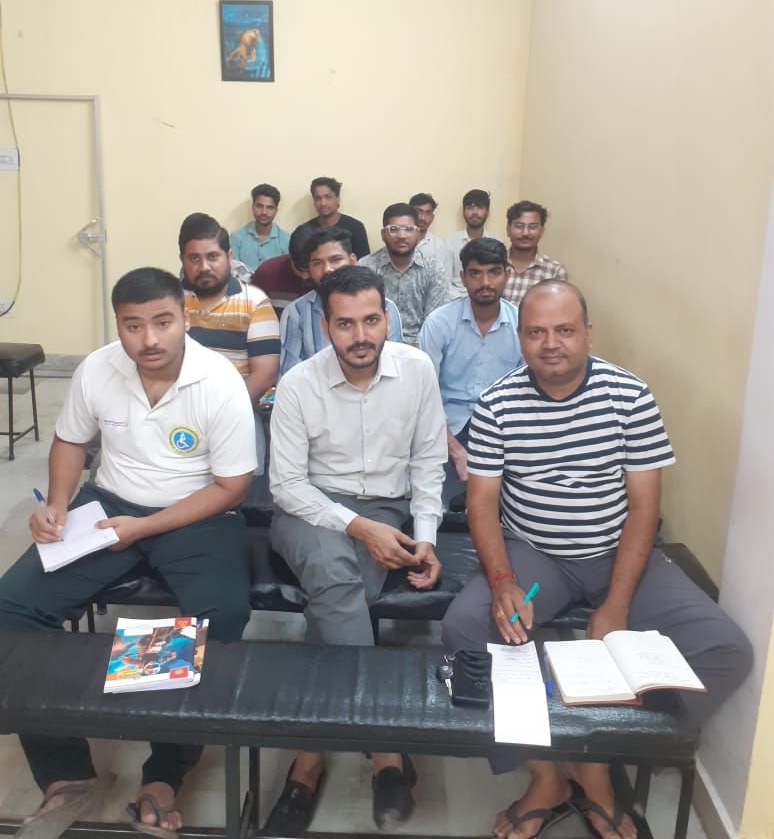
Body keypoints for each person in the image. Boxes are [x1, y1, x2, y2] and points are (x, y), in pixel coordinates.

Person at [441, 280, 753, 839]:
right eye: (536, 332)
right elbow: (482, 503)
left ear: (588, 332)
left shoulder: (629, 395)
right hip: (535, 555)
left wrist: (617, 604)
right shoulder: (496, 403)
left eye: (564, 330)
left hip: (619, 553)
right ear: (520, 337)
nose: (550, 344)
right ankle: (545, 775)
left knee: (725, 649)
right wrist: (504, 579)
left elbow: (645, 506)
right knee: (466, 627)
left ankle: (597, 760)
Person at [0, 268, 256, 839]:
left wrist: (143, 529)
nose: (149, 339)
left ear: (185, 317)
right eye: (133, 326)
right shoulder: (98, 367)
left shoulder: (219, 380)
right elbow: (71, 439)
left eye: (162, 322)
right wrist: (58, 506)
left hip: (196, 511)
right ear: (118, 325)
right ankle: (65, 774)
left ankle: (162, 775)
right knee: (10, 608)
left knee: (220, 617)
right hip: (109, 506)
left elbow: (232, 486)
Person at [266, 265, 446, 834]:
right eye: (345, 324)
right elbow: (286, 485)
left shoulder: (417, 370)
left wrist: (425, 537)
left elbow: (428, 462)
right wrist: (358, 528)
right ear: (325, 327)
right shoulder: (298, 383)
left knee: (335, 596)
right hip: (308, 509)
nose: (360, 336)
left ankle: (309, 758)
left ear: (388, 318)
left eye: (371, 320)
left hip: (388, 508)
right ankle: (383, 746)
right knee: (333, 570)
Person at [179, 213, 280, 476]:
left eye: (212, 256)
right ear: (182, 260)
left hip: (237, 407)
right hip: (177, 407)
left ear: (229, 256)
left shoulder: (254, 302)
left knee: (244, 476)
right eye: (194, 258)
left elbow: (265, 373)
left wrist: (222, 412)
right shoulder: (169, 301)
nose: (204, 266)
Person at [419, 238, 522, 493]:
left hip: (505, 430)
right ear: (463, 278)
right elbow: (423, 398)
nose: (485, 283)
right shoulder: (439, 323)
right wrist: (455, 450)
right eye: (475, 274)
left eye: (494, 272)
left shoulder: (522, 325)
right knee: (443, 500)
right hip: (448, 429)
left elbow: (527, 395)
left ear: (507, 275)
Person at [279, 226, 403, 375]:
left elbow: (396, 365)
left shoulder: (385, 306)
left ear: (352, 261)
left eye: (335, 260)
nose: (327, 269)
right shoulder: (296, 313)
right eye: (317, 263)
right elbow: (290, 375)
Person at [359, 203, 449, 346]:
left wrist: (413, 352)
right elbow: (361, 317)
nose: (402, 236)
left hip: (422, 347)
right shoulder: (366, 267)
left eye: (409, 229)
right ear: (383, 234)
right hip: (378, 346)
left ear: (418, 234)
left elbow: (435, 321)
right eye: (394, 229)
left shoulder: (433, 269)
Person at [503, 200, 567, 307]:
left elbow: (558, 310)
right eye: (519, 226)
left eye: (532, 227)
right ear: (508, 229)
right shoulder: (493, 265)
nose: (525, 233)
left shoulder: (554, 272)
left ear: (542, 231)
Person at [299, 176, 370, 259]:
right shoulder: (304, 231)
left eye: (328, 197)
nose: (323, 203)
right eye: (318, 198)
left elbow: (364, 263)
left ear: (338, 199)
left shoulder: (356, 227)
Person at [251, 225, 314, 317]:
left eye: (309, 271)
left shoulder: (329, 275)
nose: (304, 276)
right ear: (290, 257)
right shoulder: (267, 273)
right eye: (299, 269)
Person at [229, 183, 290, 272]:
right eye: (259, 206)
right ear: (252, 207)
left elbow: (286, 272)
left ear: (276, 211)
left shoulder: (286, 240)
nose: (264, 212)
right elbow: (234, 271)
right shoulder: (237, 237)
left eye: (270, 208)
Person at [447, 189, 496, 297]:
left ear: (487, 212)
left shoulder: (496, 242)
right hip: (457, 299)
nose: (474, 212)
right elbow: (446, 282)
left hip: (487, 299)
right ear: (463, 212)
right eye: (469, 208)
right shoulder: (451, 242)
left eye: (480, 207)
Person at [408, 192, 454, 287]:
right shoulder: (398, 241)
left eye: (428, 213)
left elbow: (445, 281)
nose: (422, 218)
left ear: (432, 218)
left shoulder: (440, 246)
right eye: (418, 211)